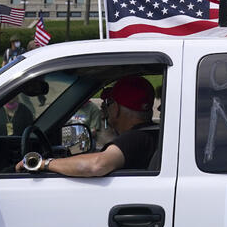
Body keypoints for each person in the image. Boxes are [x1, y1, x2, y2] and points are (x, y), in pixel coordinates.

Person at [17, 75, 158, 176]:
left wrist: (43, 163)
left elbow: (97, 165)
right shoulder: (153, 134)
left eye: (107, 103)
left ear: (116, 108)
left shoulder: (134, 139)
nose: (104, 108)